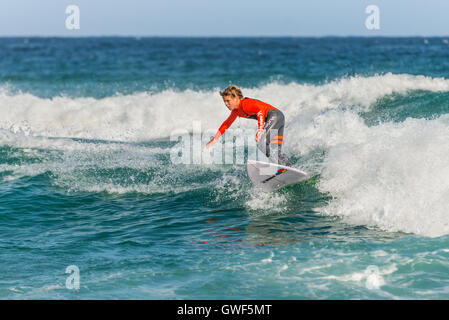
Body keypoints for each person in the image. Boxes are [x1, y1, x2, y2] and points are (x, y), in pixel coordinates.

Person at [206, 85, 293, 167]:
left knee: (262, 144)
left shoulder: (245, 104)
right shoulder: (236, 111)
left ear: (236, 98)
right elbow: (226, 124)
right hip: (278, 117)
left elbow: (260, 111)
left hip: (275, 117)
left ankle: (282, 166)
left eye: (228, 101)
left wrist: (260, 130)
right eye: (224, 101)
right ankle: (290, 167)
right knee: (275, 151)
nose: (226, 104)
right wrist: (215, 139)